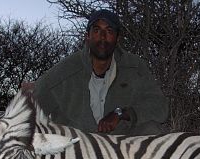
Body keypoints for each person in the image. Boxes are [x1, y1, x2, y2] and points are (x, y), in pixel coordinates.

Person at [31, 9, 169, 135]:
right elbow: (30, 108)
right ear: (87, 36)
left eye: (109, 31)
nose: (102, 37)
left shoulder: (134, 67)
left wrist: (121, 113)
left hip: (119, 143)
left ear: (117, 38)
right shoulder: (64, 71)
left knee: (152, 129)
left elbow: (160, 107)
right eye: (97, 31)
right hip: (77, 147)